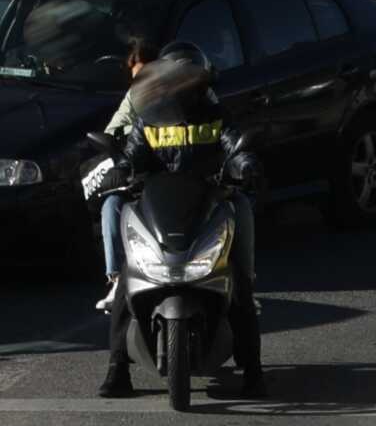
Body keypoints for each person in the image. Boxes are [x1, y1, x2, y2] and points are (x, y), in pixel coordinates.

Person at [97, 45, 262, 400]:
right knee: (129, 282)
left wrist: (244, 165)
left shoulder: (216, 115)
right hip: (159, 209)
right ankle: (117, 370)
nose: (181, 87)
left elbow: (236, 146)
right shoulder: (149, 117)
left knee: (238, 283)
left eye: (188, 81)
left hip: (208, 205)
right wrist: (119, 171)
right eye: (175, 80)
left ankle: (253, 371)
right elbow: (131, 156)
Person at [93, 35, 158, 314]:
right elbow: (112, 131)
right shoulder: (135, 97)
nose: (142, 84)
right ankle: (118, 280)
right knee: (111, 206)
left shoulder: (191, 95)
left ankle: (241, 285)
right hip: (142, 175)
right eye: (136, 79)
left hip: (183, 175)